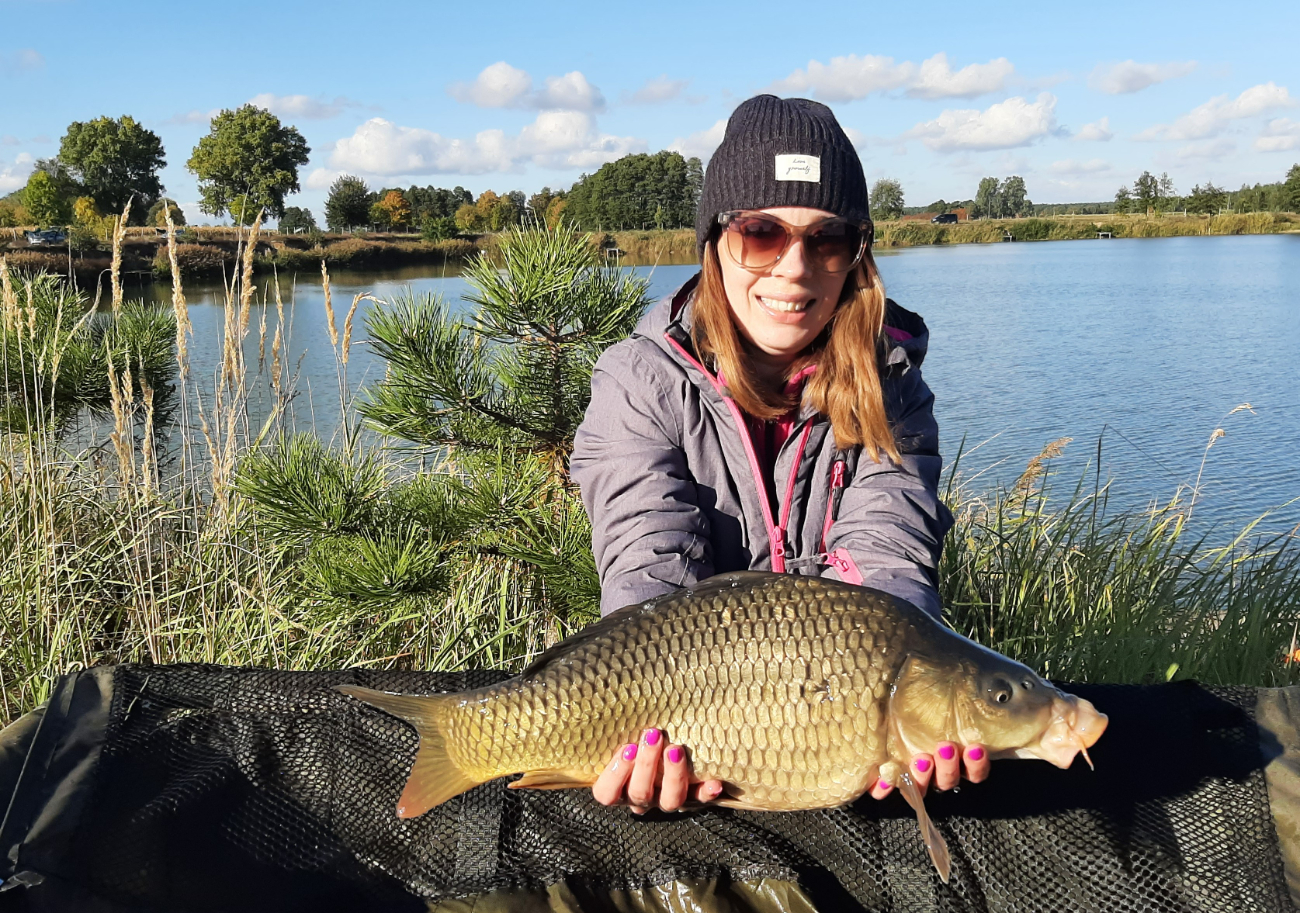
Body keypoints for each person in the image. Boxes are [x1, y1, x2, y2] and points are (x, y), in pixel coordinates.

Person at [570, 95, 988, 814]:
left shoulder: (894, 391)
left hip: (825, 738)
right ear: (715, 238)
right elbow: (650, 572)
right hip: (687, 720)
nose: (795, 268)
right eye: (761, 233)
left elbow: (885, 573)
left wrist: (906, 713)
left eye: (827, 238)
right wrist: (634, 740)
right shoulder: (637, 383)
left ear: (857, 253)